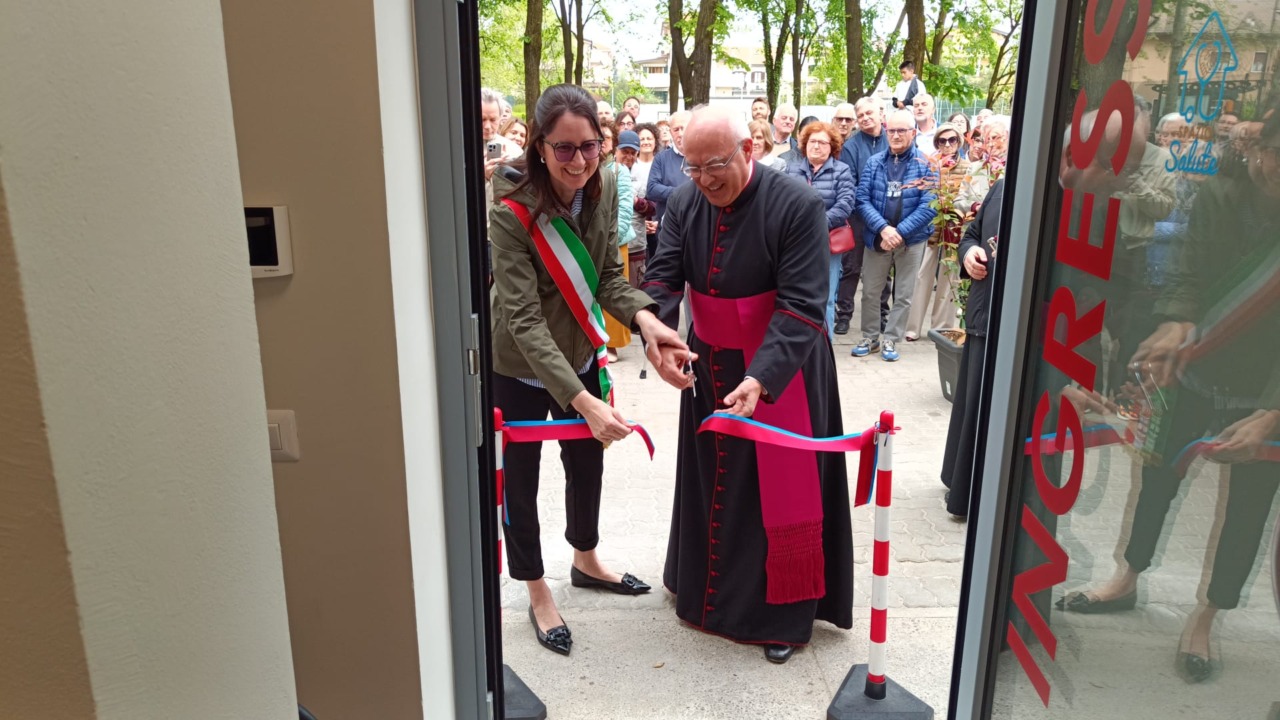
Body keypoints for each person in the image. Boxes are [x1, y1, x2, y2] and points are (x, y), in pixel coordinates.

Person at [1056, 108, 1280, 684]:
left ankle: (1208, 616)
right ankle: (1128, 577)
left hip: (1268, 385)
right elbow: (1185, 274)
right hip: (1195, 364)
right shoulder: (1215, 197)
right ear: (1258, 150)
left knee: (1250, 502)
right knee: (1156, 474)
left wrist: (1273, 409)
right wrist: (1178, 322)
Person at [641, 105, 853, 664]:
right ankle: (703, 593)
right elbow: (662, 276)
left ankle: (779, 616)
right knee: (713, 484)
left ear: (748, 151)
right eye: (692, 167)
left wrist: (761, 376)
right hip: (708, 366)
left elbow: (804, 304)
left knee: (771, 497)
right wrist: (659, 334)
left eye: (715, 165)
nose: (705, 180)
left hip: (781, 369)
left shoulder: (798, 204)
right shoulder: (686, 200)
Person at [488, 84, 687, 656]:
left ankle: (585, 558)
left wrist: (649, 322)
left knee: (586, 466)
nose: (578, 161)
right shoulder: (510, 207)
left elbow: (606, 277)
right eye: (564, 149)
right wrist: (584, 400)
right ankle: (535, 588)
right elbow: (523, 320)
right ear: (540, 147)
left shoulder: (605, 188)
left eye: (588, 147)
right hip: (517, 367)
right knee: (519, 483)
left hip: (578, 354)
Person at [939, 179, 1004, 520]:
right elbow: (971, 236)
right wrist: (969, 255)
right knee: (970, 403)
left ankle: (975, 494)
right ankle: (958, 482)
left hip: (1010, 325)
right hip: (983, 313)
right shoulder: (1003, 186)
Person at [851, 109, 938, 362]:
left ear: (913, 132)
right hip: (878, 237)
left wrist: (899, 232)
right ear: (886, 131)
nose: (896, 135)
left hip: (911, 240)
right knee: (870, 290)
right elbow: (862, 199)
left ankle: (891, 339)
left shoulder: (926, 165)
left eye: (902, 130)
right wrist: (884, 229)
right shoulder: (874, 162)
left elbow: (928, 205)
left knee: (904, 293)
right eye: (892, 130)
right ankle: (870, 337)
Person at [905, 122, 978, 342]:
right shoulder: (931, 164)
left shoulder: (968, 167)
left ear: (959, 141)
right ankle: (913, 327)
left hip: (955, 228)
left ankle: (941, 327)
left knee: (949, 277)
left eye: (952, 140)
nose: (947, 144)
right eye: (942, 140)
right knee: (922, 276)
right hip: (930, 228)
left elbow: (971, 198)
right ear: (936, 142)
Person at [787, 121, 856, 338]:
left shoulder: (842, 171)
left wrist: (815, 225)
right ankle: (798, 341)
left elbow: (845, 204)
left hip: (827, 243)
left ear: (832, 146)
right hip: (795, 244)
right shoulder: (792, 171)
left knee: (825, 297)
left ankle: (825, 345)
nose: (816, 146)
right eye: (812, 142)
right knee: (795, 294)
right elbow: (784, 204)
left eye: (822, 142)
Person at [834, 97, 891, 336]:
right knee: (851, 268)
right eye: (861, 115)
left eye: (870, 113)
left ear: (880, 113)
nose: (866, 118)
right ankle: (844, 314)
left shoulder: (893, 139)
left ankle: (881, 314)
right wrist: (868, 209)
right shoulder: (852, 146)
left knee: (884, 270)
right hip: (859, 216)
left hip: (888, 217)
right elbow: (851, 184)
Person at [600, 121, 636, 360]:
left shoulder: (618, 171)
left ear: (613, 144)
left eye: (606, 139)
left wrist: (610, 240)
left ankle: (611, 345)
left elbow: (624, 209)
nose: (601, 143)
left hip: (615, 242)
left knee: (613, 292)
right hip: (592, 241)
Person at [646, 110, 693, 242]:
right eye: (676, 129)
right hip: (667, 230)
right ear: (671, 132)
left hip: (695, 228)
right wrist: (682, 192)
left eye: (684, 128)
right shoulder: (662, 158)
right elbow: (651, 189)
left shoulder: (702, 156)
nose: (680, 133)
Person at [617, 130, 650, 287]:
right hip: (614, 243)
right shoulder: (608, 171)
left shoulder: (644, 173)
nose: (628, 157)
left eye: (633, 153)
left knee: (635, 289)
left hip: (636, 244)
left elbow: (653, 207)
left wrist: (638, 202)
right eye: (625, 151)